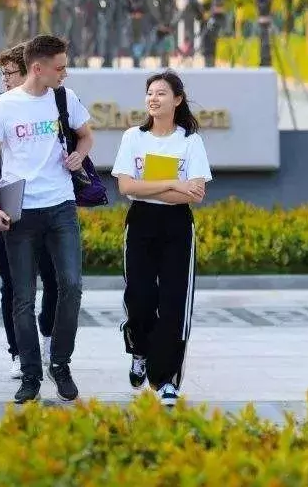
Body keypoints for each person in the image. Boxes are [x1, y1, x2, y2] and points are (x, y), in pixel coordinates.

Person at [0, 34, 93, 404]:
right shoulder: (3, 107)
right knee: (23, 297)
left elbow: (86, 135)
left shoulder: (65, 98)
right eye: (60, 67)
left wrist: (79, 155)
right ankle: (30, 374)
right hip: (20, 211)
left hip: (61, 207)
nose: (66, 72)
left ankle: (59, 363)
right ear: (37, 68)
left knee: (71, 286)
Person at [111, 70, 212, 406]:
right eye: (150, 93)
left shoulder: (190, 142)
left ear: (177, 100)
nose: (153, 99)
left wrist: (162, 189)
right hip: (140, 224)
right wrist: (175, 184)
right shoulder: (133, 138)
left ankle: (167, 378)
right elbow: (126, 188)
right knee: (139, 297)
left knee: (174, 304)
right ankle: (139, 349)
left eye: (161, 94)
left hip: (177, 227)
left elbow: (194, 194)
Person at [0, 45, 60, 379]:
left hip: (50, 202)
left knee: (55, 280)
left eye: (10, 72)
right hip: (10, 202)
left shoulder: (54, 101)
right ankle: (18, 351)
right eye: (4, 74)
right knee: (13, 283)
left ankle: (48, 337)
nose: (6, 80)